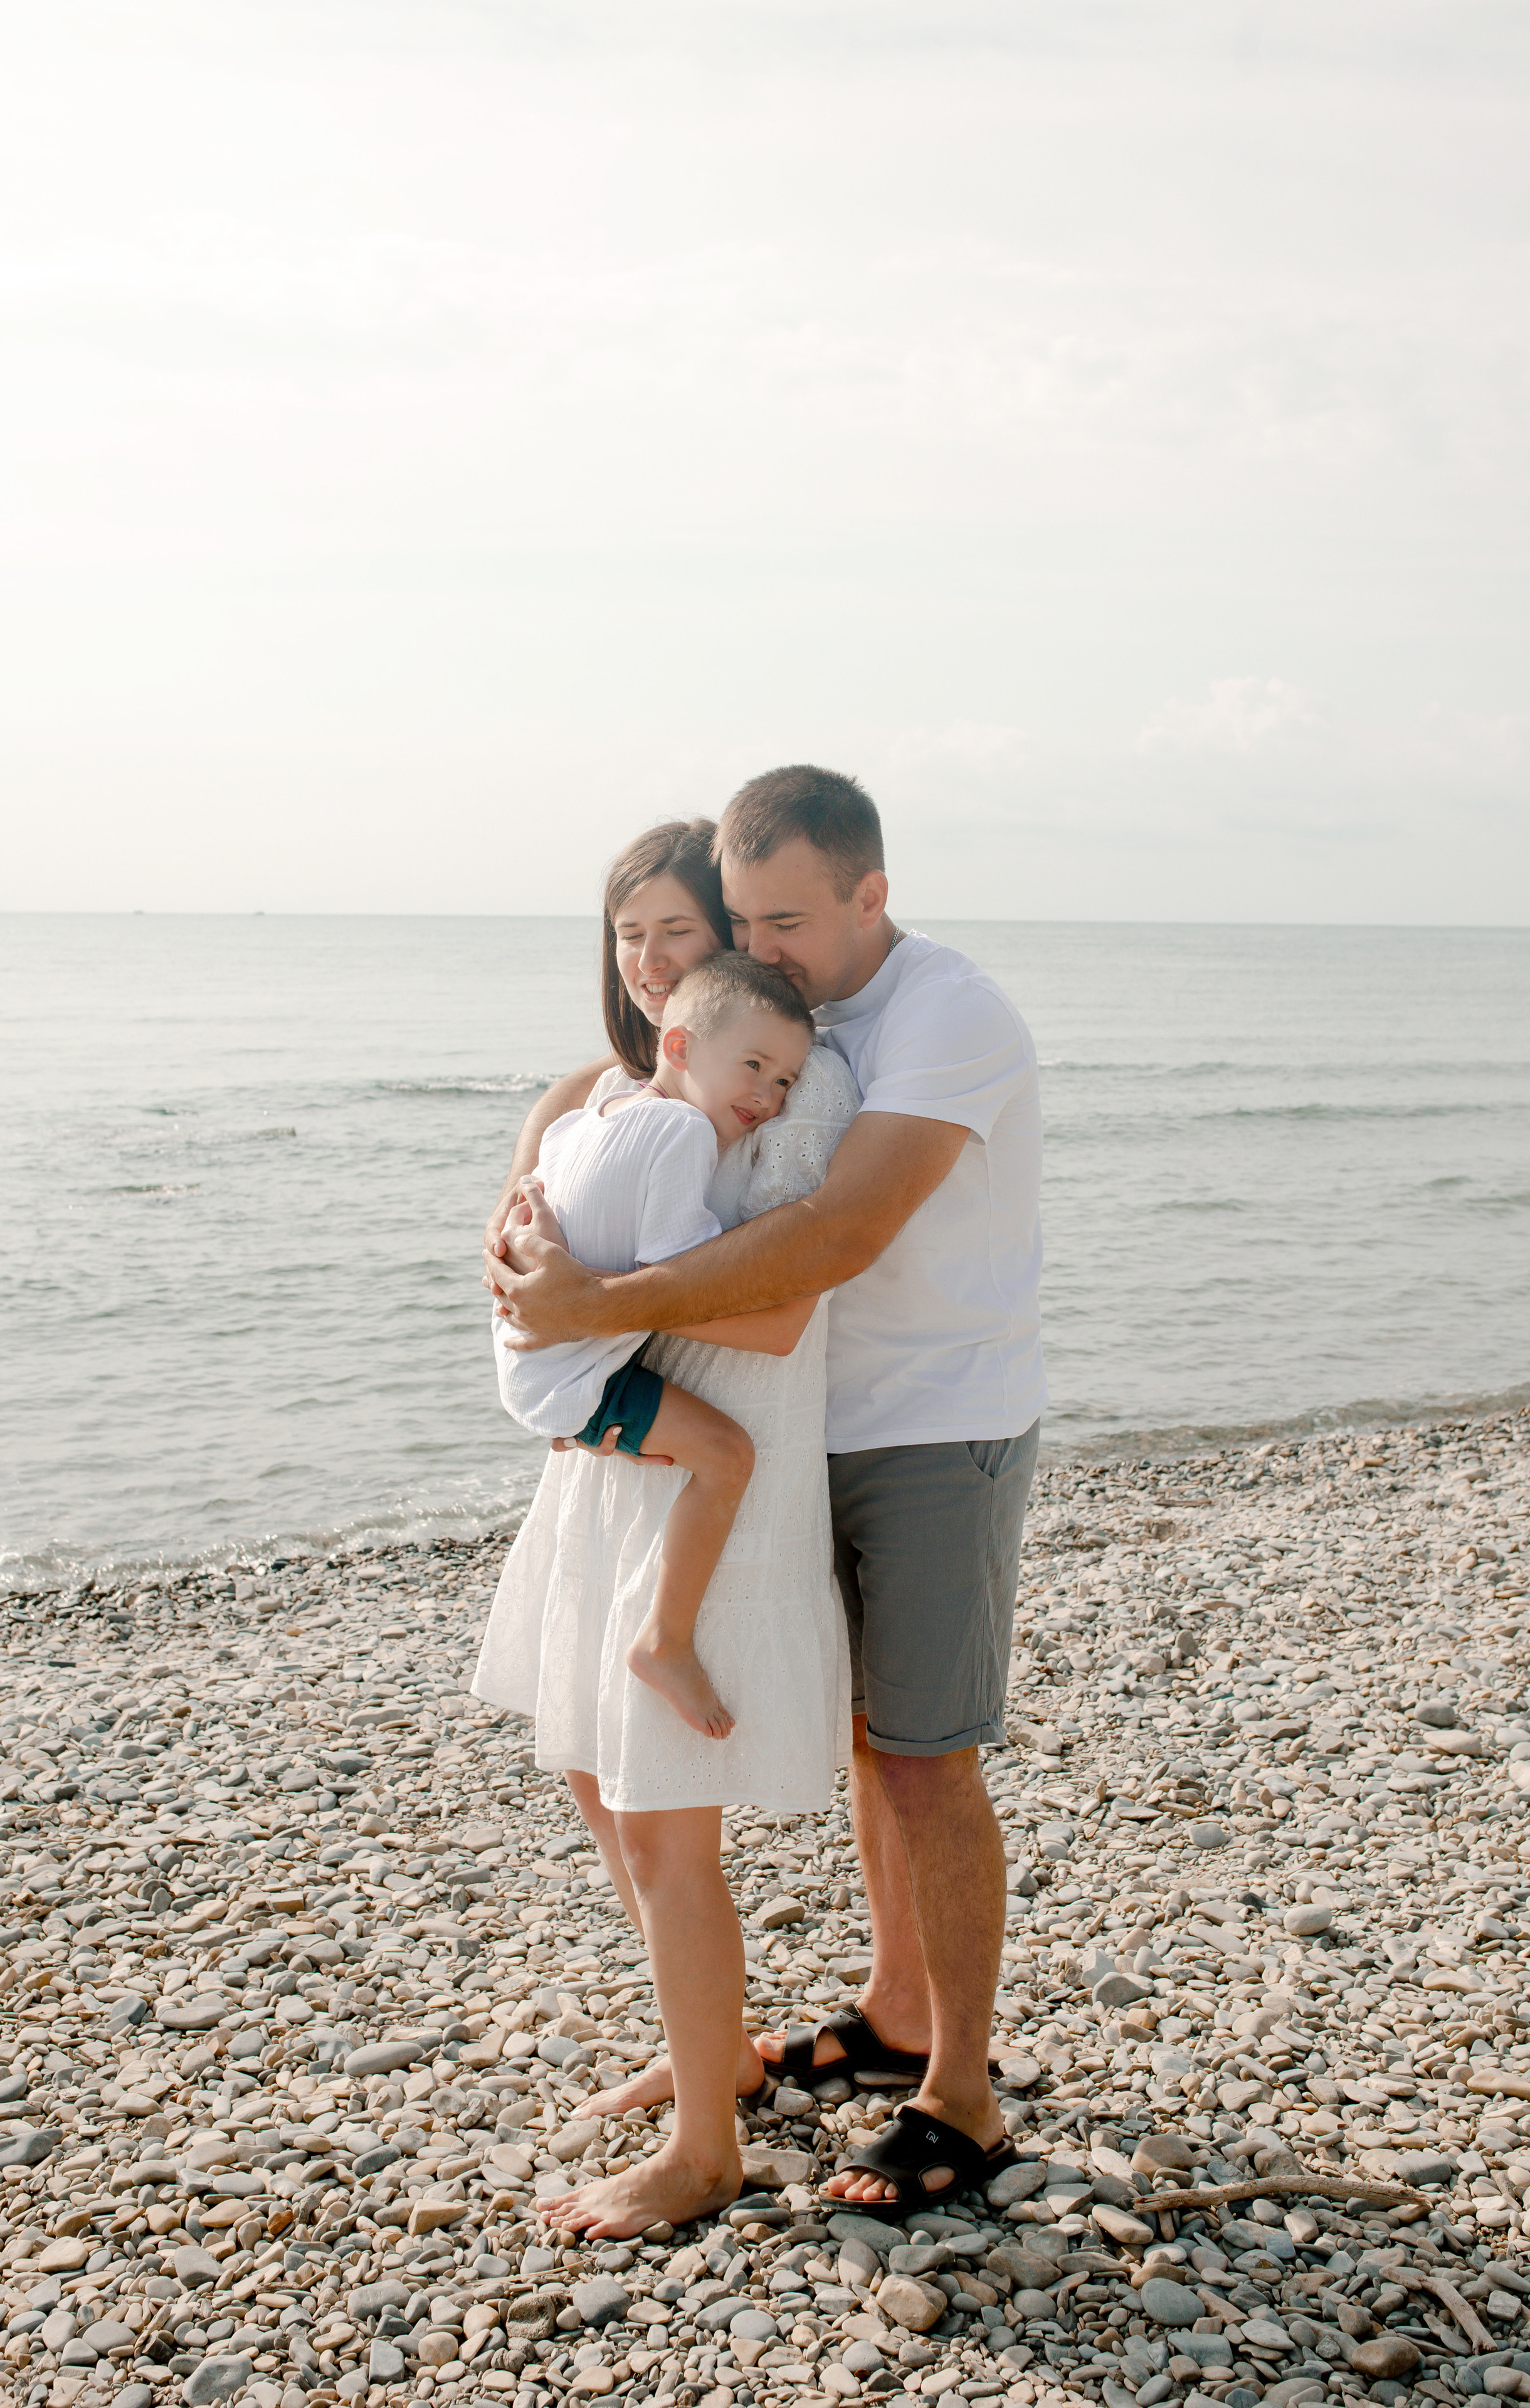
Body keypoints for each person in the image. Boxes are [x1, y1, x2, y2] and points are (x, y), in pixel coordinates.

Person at [488, 764, 1045, 2221]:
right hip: (801, 1435)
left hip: (930, 1419)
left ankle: (959, 2096)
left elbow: (835, 1237)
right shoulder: (739, 1036)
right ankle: (892, 2011)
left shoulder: (934, 1019)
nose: (754, 947)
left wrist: (587, 1306)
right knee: (874, 1745)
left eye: (774, 918)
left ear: (870, 892)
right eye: (736, 919)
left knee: (925, 1755)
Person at [474, 816, 862, 2239]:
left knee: (662, 1817)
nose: (645, 959)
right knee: (595, 1779)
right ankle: (715, 2050)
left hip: (708, 1477)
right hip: (599, 1459)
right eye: (625, 930)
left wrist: (585, 1304)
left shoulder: (772, 1099)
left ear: (736, 942)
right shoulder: (593, 1089)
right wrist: (548, 1317)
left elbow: (774, 1307)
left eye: (674, 931)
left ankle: (707, 2147)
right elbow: (508, 1260)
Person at [492, 951, 816, 1738]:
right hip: (575, 1379)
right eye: (752, 1065)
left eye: (785, 1081)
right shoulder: (678, 1134)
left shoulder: (590, 1118)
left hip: (532, 1363)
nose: (768, 1097)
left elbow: (532, 1206)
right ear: (676, 1048)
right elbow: (681, 1270)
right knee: (729, 1456)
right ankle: (665, 1640)